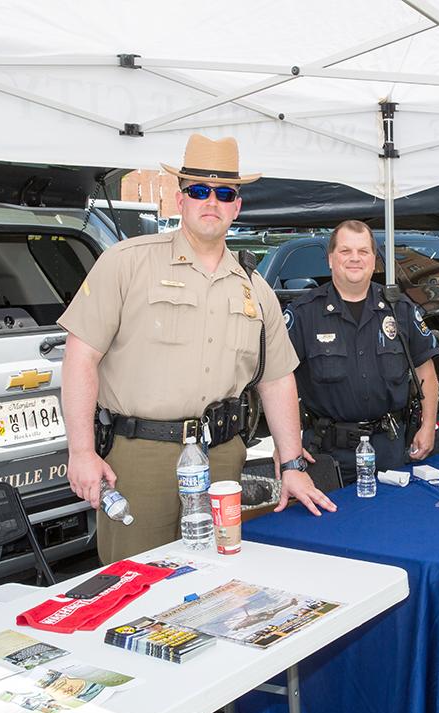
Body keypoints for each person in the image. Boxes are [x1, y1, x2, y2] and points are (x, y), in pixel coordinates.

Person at [60, 134, 336, 564]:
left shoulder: (253, 285)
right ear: (180, 199)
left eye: (225, 193)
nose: (212, 201)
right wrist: (81, 451)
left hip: (222, 460)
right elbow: (80, 356)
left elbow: (278, 378)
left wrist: (293, 465)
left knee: (216, 584)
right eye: (199, 190)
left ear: (237, 206)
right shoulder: (127, 263)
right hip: (141, 459)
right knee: (134, 586)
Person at [282, 220, 439, 484]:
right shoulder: (303, 314)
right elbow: (279, 381)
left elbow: (426, 370)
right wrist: (285, 446)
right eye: (345, 251)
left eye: (363, 251)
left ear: (374, 260)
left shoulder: (399, 308)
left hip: (389, 449)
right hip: (325, 452)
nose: (355, 258)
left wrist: (428, 426)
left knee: (393, 522)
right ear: (330, 259)